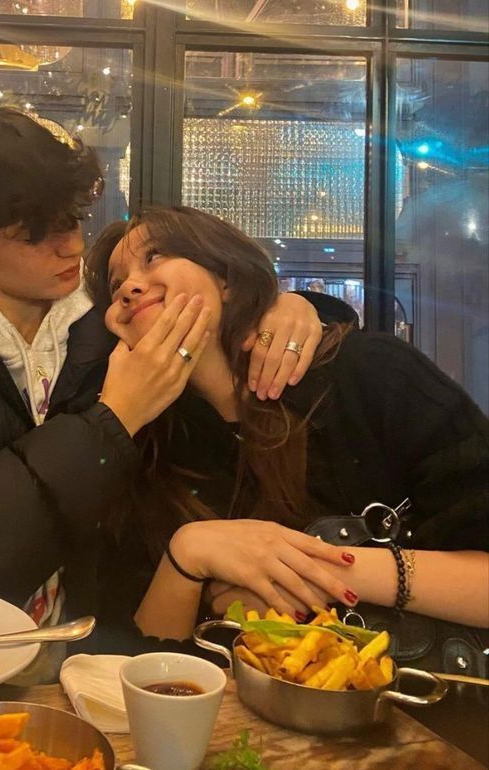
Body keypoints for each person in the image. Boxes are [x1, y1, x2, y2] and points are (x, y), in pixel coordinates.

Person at [0, 107, 343, 635]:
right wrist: (112, 418)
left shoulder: (116, 330)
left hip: (116, 658)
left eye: (73, 220)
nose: (73, 245)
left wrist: (283, 306)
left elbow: (234, 398)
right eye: (34, 233)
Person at [84, 206, 489, 663]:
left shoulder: (368, 374)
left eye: (154, 257)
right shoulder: (146, 447)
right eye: (116, 285)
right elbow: (134, 665)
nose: (129, 288)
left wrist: (308, 570)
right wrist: (188, 552)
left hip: (426, 715)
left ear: (226, 278)